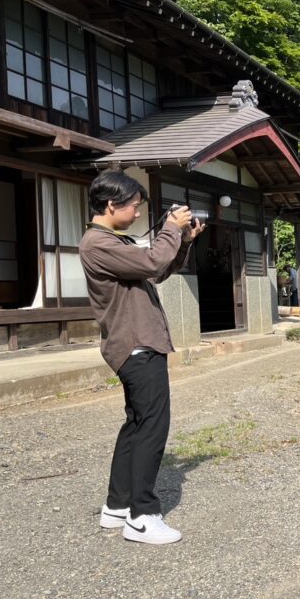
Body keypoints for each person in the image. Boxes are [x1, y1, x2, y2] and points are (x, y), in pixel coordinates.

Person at [79, 170, 206, 544]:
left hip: (137, 343)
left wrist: (182, 240)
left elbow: (158, 271)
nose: (136, 213)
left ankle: (117, 507)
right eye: (133, 206)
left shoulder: (112, 241)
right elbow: (151, 262)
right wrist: (170, 227)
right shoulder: (98, 243)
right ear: (111, 204)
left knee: (136, 425)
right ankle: (143, 516)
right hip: (136, 344)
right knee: (152, 426)